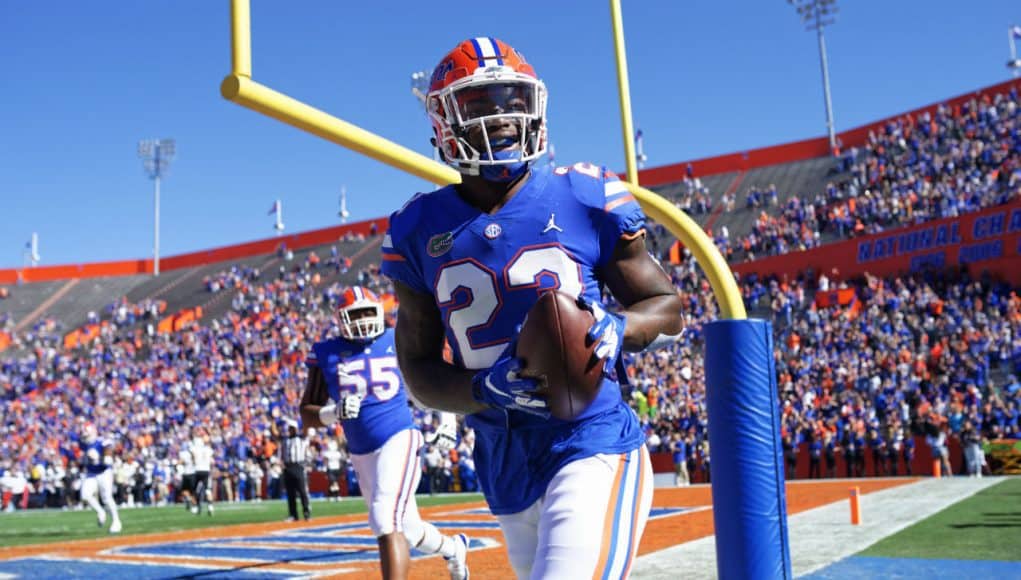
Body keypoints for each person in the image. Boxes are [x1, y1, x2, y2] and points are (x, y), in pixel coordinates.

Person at [382, 38, 684, 579]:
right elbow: (420, 371)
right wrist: (479, 390)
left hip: (590, 439)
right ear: (443, 122)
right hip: (503, 462)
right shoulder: (416, 229)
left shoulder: (585, 196)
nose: (501, 116)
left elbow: (667, 308)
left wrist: (620, 326)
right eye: (481, 103)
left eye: (512, 99)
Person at [299, 286, 469, 580]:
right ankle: (454, 549)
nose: (364, 319)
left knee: (383, 517)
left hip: (399, 436)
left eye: (368, 312)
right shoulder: (325, 352)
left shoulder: (397, 338)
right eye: (356, 314)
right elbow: (306, 413)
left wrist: (447, 420)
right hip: (361, 452)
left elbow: (432, 380)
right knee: (411, 529)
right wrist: (332, 412)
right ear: (341, 319)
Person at [79, 424, 122, 533]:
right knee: (85, 495)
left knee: (107, 498)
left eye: (86, 434)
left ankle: (116, 521)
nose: (84, 437)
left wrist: (102, 457)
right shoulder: (83, 444)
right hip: (91, 473)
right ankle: (101, 511)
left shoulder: (102, 442)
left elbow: (108, 453)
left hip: (104, 472)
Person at [272, 419, 311, 521]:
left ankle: (306, 512)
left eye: (292, 428)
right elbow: (275, 433)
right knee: (290, 493)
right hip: (287, 467)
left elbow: (306, 430)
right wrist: (273, 420)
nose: (290, 430)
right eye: (289, 428)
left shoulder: (301, 438)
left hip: (298, 466)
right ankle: (293, 514)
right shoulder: (285, 439)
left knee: (302, 491)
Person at [191, 434, 215, 515]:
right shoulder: (208, 449)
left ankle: (195, 507)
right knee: (208, 490)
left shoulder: (194, 449)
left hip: (197, 470)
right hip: (206, 471)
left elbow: (193, 459)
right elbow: (212, 461)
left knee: (195, 490)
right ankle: (210, 507)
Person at [321, 437, 346, 502]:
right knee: (334, 482)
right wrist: (324, 468)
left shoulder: (337, 453)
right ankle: (337, 495)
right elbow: (325, 461)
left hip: (336, 469)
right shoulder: (327, 453)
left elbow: (340, 461)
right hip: (330, 469)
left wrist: (341, 470)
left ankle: (330, 496)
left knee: (333, 483)